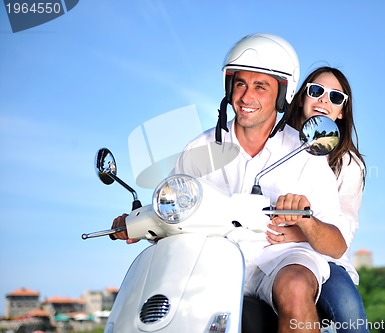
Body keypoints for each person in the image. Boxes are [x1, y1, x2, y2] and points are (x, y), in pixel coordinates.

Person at [112, 34, 355, 333]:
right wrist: (137, 223)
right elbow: (172, 208)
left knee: (294, 287)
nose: (246, 97)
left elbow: (337, 243)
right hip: (212, 258)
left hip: (279, 258)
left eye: (260, 86)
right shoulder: (199, 149)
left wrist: (307, 221)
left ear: (282, 94)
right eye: (240, 84)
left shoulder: (305, 153)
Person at [285, 66, 369, 332]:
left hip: (325, 255)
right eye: (317, 91)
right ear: (302, 98)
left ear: (342, 111)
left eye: (335, 97)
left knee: (348, 309)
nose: (324, 100)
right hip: (268, 248)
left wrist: (299, 234)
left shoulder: (349, 163)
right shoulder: (274, 142)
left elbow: (347, 227)